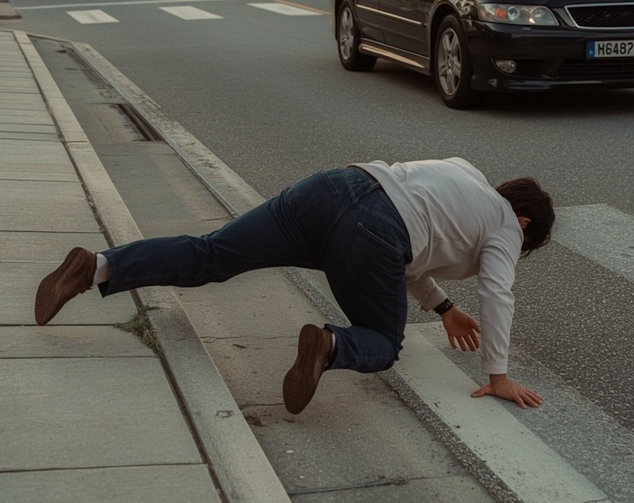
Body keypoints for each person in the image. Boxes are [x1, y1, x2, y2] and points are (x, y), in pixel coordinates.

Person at [35, 158, 555, 414]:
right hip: (374, 232)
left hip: (333, 187)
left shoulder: (463, 173)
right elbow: (497, 292)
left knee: (211, 253)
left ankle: (98, 266)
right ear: (526, 224)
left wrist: (442, 308)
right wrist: (499, 374)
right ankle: (328, 345)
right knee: (382, 341)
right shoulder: (507, 227)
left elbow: (416, 248)